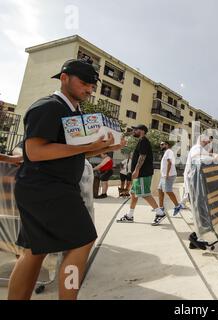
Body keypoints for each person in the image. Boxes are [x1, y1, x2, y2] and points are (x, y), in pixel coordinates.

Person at [8, 59, 125, 300]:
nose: (89, 90)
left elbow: (74, 151)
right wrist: (89, 145)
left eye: (92, 86)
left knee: (33, 252)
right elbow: (36, 152)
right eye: (84, 83)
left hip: (42, 188)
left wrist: (104, 146)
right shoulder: (48, 107)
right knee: (83, 239)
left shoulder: (72, 111)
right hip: (48, 188)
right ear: (64, 78)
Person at [116, 125, 164, 223]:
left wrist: (136, 170)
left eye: (135, 129)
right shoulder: (141, 141)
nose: (134, 131)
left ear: (141, 131)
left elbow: (142, 156)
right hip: (140, 173)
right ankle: (130, 216)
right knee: (133, 194)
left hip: (143, 173)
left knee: (144, 194)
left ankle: (160, 213)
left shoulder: (143, 141)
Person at [155, 141, 183, 225]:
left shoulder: (169, 151)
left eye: (163, 144)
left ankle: (178, 206)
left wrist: (167, 174)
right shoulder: (166, 152)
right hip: (164, 175)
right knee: (160, 190)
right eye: (160, 144)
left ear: (167, 145)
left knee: (168, 190)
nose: (161, 145)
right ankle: (161, 208)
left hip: (169, 175)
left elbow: (169, 163)